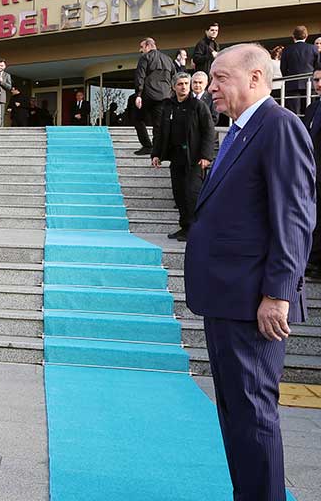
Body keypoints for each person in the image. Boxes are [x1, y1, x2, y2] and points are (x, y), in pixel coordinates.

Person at [187, 43, 313, 501]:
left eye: (220, 77)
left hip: (254, 304)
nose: (211, 86)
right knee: (237, 417)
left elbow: (295, 217)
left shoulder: (279, 127)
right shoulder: (239, 131)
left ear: (256, 77)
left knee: (255, 417)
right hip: (226, 299)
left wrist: (278, 293)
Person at [150, 73, 215, 241]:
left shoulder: (198, 106)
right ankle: (185, 227)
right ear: (173, 87)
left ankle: (196, 229)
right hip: (176, 157)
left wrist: (206, 156)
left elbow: (209, 130)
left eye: (187, 83)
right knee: (179, 194)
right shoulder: (168, 106)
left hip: (194, 159)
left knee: (191, 194)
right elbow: (160, 132)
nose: (184, 86)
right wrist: (156, 154)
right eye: (180, 84)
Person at [133, 37, 177, 155]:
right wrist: (172, 94)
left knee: (137, 118)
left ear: (148, 46)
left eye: (142, 47)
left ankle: (147, 146)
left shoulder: (145, 58)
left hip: (148, 95)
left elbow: (140, 77)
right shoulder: (168, 59)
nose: (140, 50)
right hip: (165, 96)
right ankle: (157, 150)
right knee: (158, 124)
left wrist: (138, 95)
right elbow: (175, 78)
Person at [304, 68, 321, 280]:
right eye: (316, 80)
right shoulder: (311, 108)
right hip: (312, 173)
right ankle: (313, 260)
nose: (318, 83)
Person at [281, 26, 317, 115]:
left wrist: (288, 78)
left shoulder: (287, 49)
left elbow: (283, 68)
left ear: (293, 36)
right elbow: (317, 66)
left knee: (294, 114)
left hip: (292, 84)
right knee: (310, 112)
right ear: (306, 36)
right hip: (310, 84)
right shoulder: (313, 48)